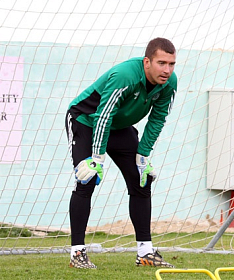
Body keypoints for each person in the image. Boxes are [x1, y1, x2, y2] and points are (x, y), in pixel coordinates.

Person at [65, 38, 178, 269]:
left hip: (119, 126)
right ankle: (77, 253)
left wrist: (142, 156)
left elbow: (158, 118)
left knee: (141, 179)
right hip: (86, 120)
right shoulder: (125, 76)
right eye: (161, 63)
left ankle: (145, 252)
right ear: (147, 62)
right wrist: (97, 158)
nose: (167, 70)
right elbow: (103, 116)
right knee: (86, 178)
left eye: (171, 64)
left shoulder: (169, 82)